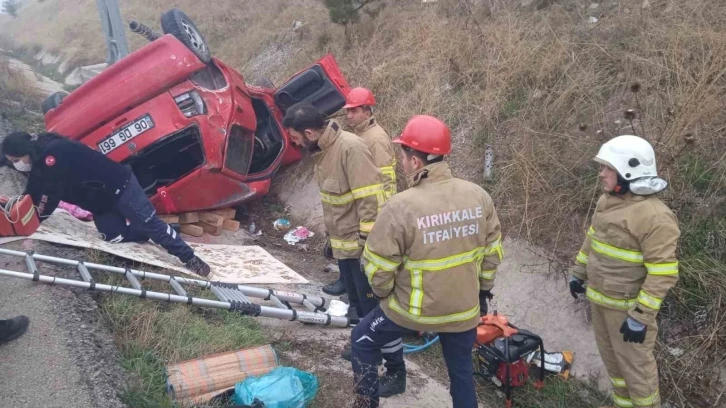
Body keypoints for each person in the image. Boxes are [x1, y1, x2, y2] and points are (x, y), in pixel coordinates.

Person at [352, 115, 503, 408]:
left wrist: (384, 296)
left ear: (416, 162)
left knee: (362, 340)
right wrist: (483, 292)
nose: (402, 162)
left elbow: (378, 266)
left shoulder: (400, 206)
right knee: (461, 375)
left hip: (412, 311)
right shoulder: (479, 196)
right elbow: (492, 252)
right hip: (464, 311)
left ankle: (365, 404)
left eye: (404, 155)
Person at [1, 132, 210, 276]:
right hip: (101, 201)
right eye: (10, 161)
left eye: (16, 160)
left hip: (122, 188)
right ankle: (160, 232)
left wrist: (35, 218)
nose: (15, 164)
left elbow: (50, 194)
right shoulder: (39, 156)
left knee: (150, 224)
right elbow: (35, 187)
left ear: (26, 150)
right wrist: (22, 206)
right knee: (112, 235)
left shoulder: (53, 154)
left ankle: (190, 258)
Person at [569, 135, 679, 408]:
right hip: (600, 303)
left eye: (608, 168)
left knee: (638, 378)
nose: (601, 174)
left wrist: (640, 316)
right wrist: (578, 272)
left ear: (629, 171)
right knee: (616, 373)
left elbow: (663, 272)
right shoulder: (607, 202)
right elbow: (592, 239)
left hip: (627, 313)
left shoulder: (655, 216)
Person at [281, 103, 386, 347]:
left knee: (368, 298)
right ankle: (359, 323)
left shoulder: (350, 149)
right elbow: (335, 201)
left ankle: (372, 343)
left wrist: (366, 244)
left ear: (309, 133)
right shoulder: (324, 152)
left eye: (295, 138)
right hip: (343, 242)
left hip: (357, 244)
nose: (295, 144)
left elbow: (369, 198)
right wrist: (331, 239)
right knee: (354, 294)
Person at [322, 87, 397, 297]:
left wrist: (379, 214)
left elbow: (384, 180)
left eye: (354, 111)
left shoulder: (376, 139)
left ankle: (362, 290)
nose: (349, 116)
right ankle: (347, 281)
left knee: (360, 247)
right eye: (348, 111)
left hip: (372, 204)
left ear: (367, 111)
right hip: (358, 199)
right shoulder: (360, 135)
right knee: (348, 241)